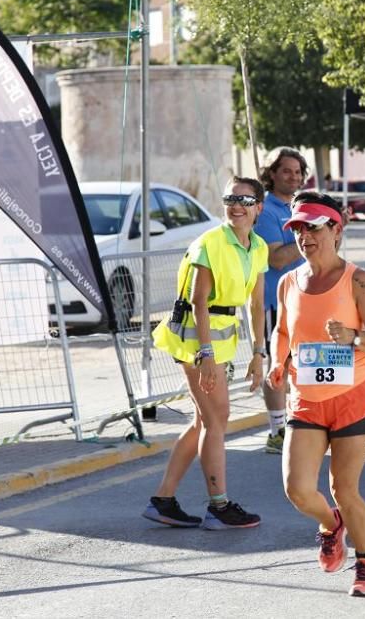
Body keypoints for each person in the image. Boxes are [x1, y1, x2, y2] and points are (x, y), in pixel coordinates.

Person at [266, 191, 365, 596]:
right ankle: (331, 523)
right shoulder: (288, 282)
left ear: (336, 230)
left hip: (352, 394)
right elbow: (282, 331)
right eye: (299, 229)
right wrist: (276, 360)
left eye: (314, 227)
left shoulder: (357, 279)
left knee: (344, 488)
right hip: (305, 396)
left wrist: (353, 337)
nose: (306, 237)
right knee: (298, 489)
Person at [142, 176, 269, 529]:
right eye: (230, 198)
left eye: (244, 200)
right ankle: (219, 506)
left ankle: (163, 500)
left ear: (258, 207)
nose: (236, 205)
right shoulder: (209, 243)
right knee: (216, 420)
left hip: (219, 342)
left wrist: (259, 353)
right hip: (194, 342)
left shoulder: (257, 247)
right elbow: (199, 303)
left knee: (204, 420)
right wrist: (207, 355)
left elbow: (257, 304)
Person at [256, 147, 307, 453]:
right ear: (272, 173)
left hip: (305, 299)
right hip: (277, 301)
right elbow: (276, 259)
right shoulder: (267, 212)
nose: (294, 176)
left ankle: (300, 425)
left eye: (298, 171)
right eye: (286, 170)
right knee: (280, 367)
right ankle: (277, 431)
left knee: (304, 367)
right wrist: (309, 235)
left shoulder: (299, 208)